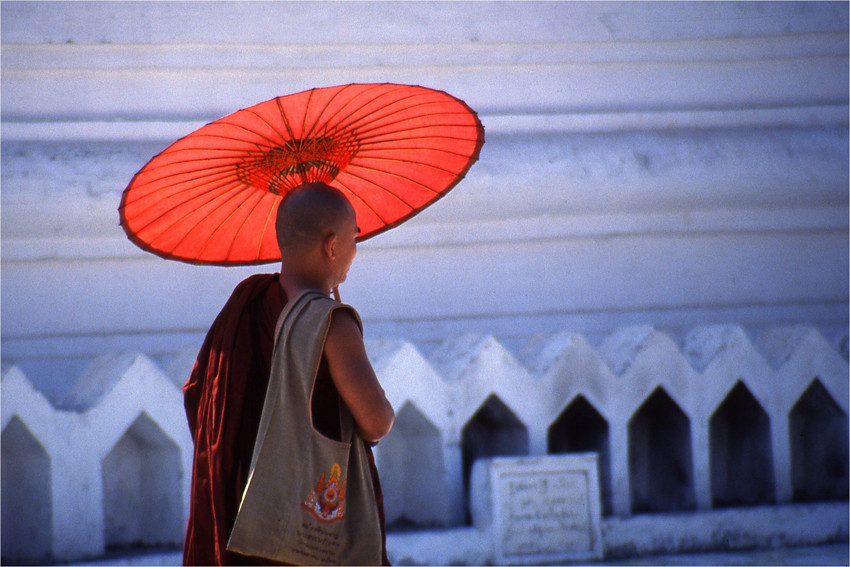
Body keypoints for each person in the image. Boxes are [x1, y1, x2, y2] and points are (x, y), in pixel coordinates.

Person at [182, 182, 395, 566]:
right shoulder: (332, 324)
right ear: (331, 245)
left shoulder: (246, 304)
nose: (354, 251)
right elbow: (377, 423)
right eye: (354, 238)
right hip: (314, 535)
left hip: (252, 518)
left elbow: (200, 397)